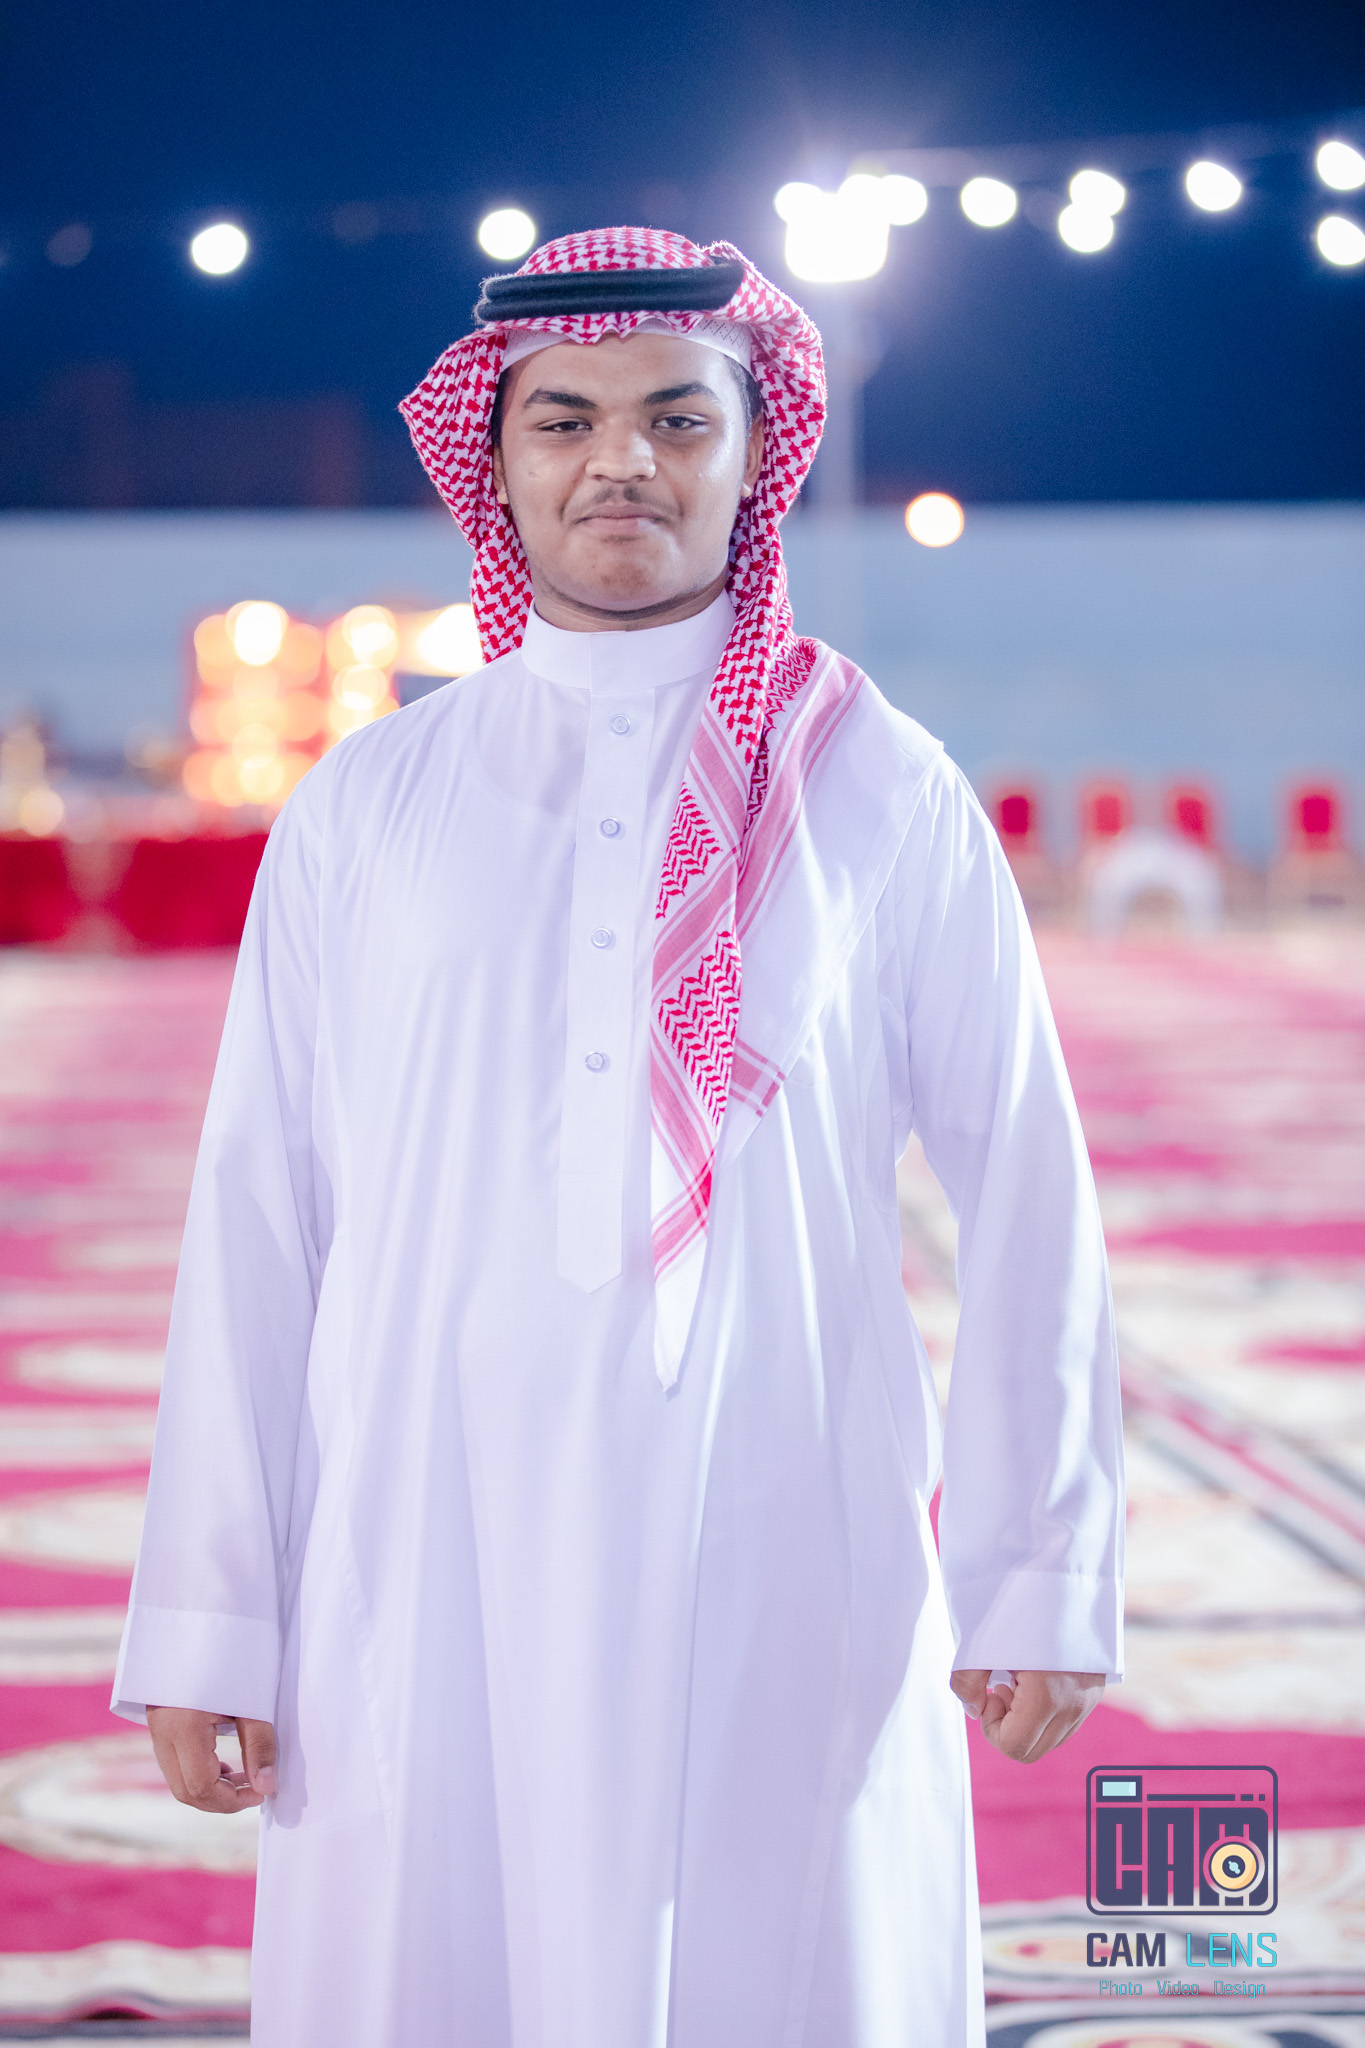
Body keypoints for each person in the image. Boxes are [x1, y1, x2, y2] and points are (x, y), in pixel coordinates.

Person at [114, 228, 1123, 2048]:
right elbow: (263, 1216)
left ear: (756, 452)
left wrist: (1036, 1560)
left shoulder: (875, 785)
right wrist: (212, 1612)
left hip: (781, 1522)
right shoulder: (370, 802)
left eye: (676, 418)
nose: (620, 463)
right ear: (493, 465)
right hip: (419, 1537)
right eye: (563, 421)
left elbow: (1024, 1179)